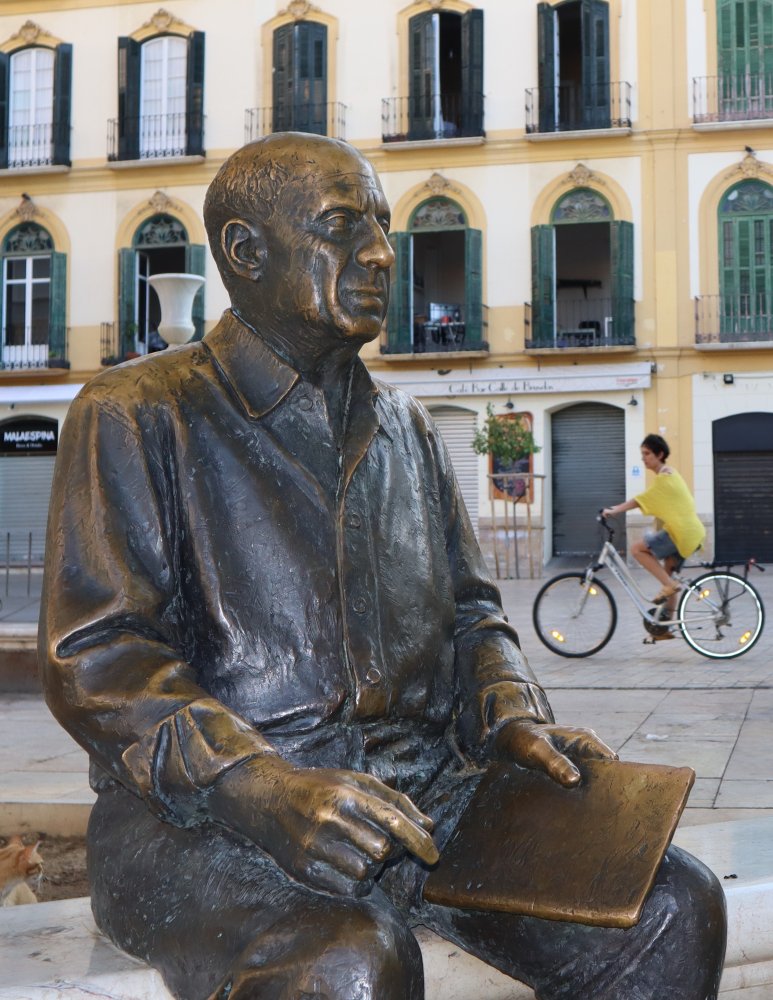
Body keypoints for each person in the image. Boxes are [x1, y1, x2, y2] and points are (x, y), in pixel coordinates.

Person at [40, 134, 725, 1000]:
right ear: (246, 252)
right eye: (339, 226)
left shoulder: (410, 429)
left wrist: (509, 715)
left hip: (426, 799)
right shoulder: (135, 414)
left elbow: (476, 618)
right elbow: (98, 653)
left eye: (380, 224)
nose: (377, 252)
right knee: (348, 962)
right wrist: (258, 784)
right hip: (206, 820)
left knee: (675, 904)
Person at [603, 434, 706, 626]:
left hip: (681, 533)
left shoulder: (665, 477)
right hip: (690, 533)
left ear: (660, 454)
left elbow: (642, 499)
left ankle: (669, 587)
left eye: (647, 453)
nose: (643, 458)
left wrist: (614, 509)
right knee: (669, 580)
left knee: (636, 550)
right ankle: (665, 626)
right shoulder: (670, 474)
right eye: (642, 454)